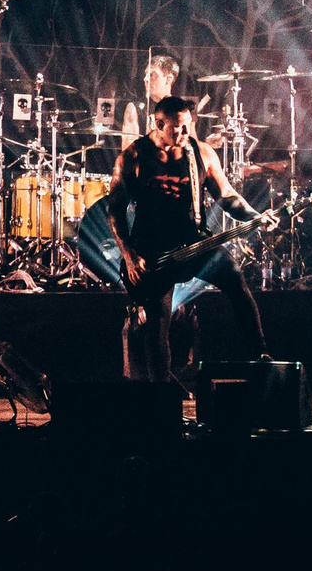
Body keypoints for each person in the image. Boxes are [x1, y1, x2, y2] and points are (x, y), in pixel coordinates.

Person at [106, 93, 269, 384]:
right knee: (159, 321)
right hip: (153, 251)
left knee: (235, 280)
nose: (183, 133)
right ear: (158, 123)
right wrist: (130, 256)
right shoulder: (133, 156)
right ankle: (162, 396)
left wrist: (256, 216)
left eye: (187, 126)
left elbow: (227, 196)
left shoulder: (202, 153)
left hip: (195, 245)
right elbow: (115, 211)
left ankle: (262, 356)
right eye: (176, 127)